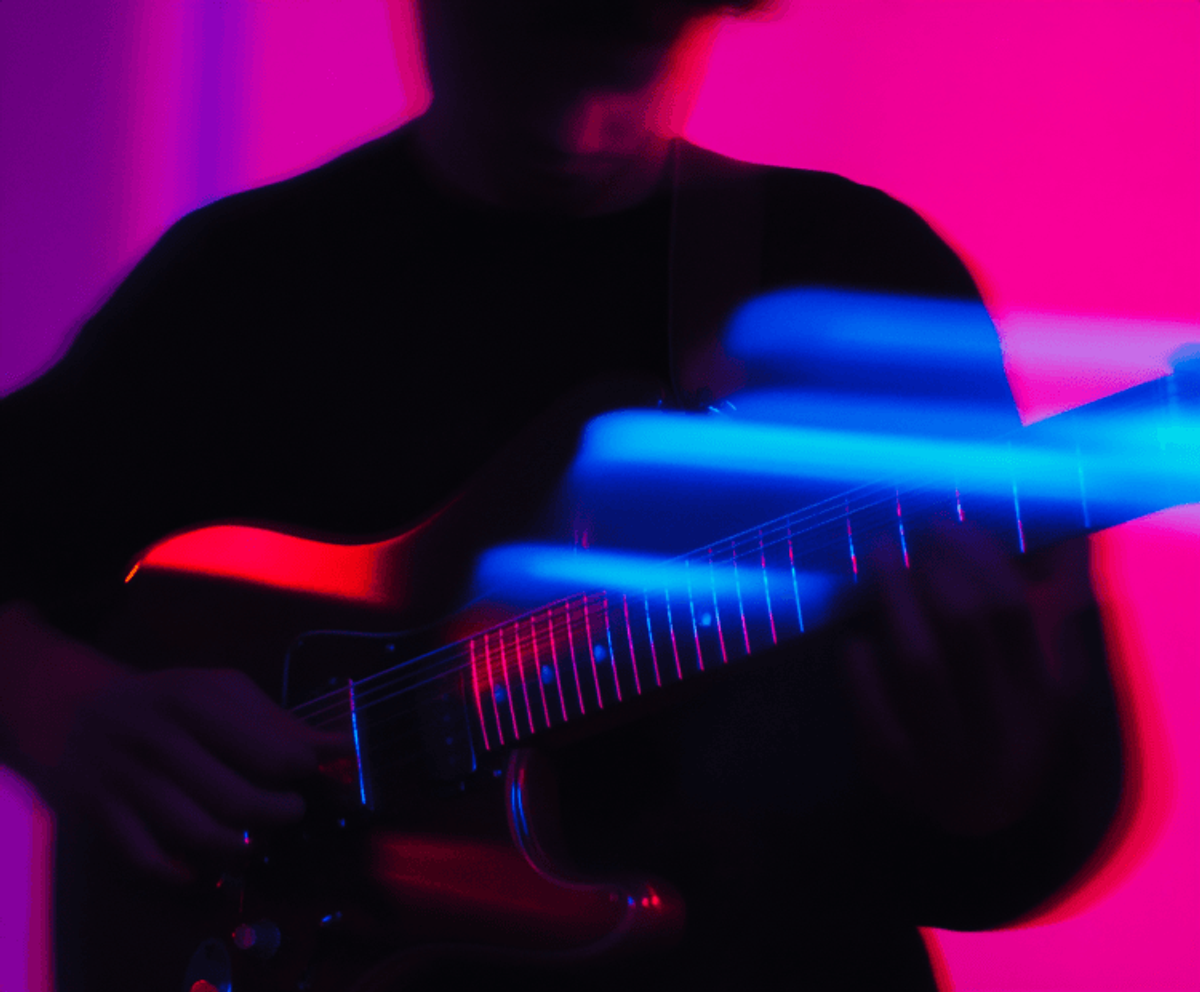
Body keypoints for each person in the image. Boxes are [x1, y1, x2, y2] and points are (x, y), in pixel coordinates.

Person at [0, 1, 1122, 989]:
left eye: (640, 21)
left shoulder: (857, 274)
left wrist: (988, 787)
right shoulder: (237, 288)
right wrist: (59, 703)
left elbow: (1025, 838)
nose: (597, 78)